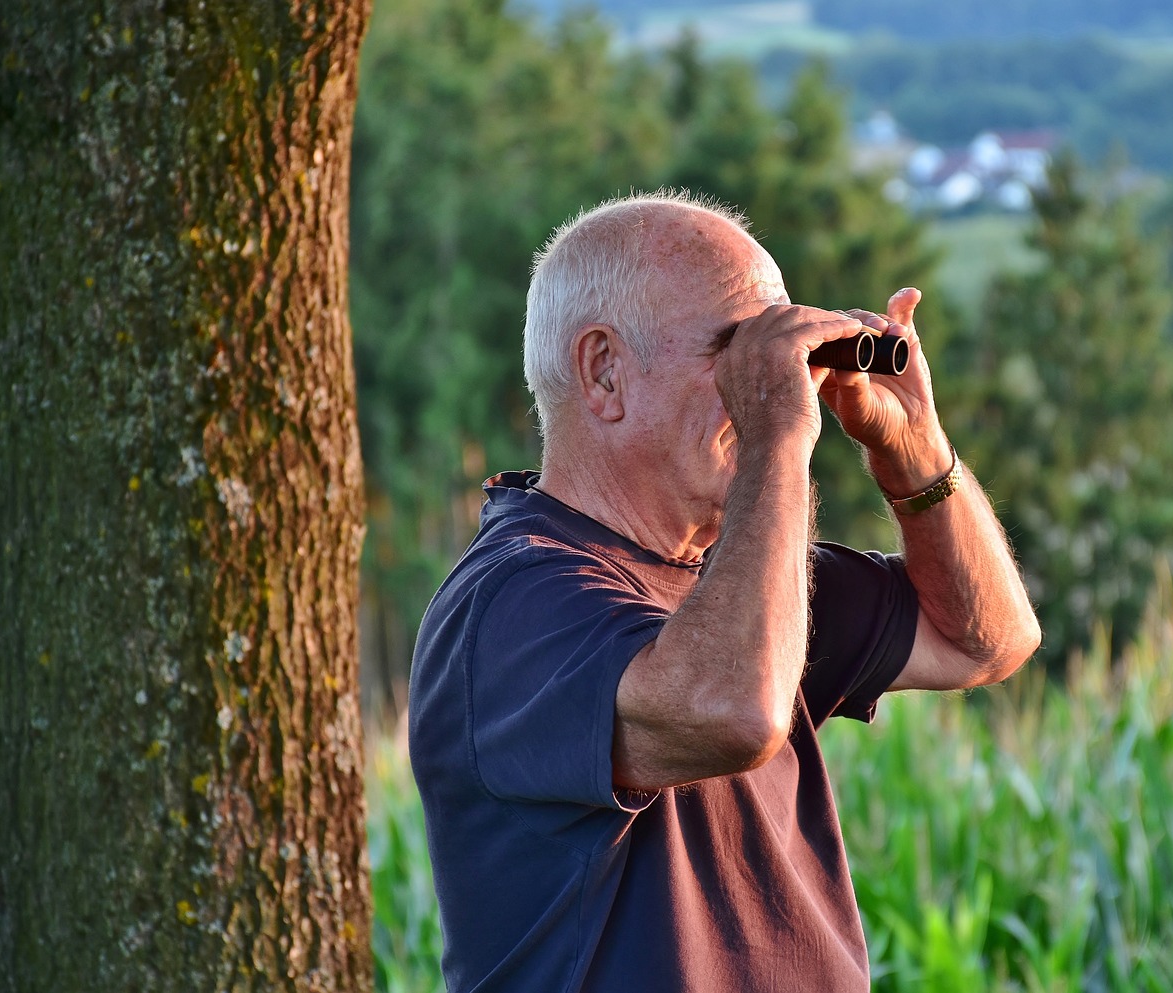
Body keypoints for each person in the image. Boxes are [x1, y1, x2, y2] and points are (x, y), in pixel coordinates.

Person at [408, 189, 1041, 992]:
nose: (777, 385)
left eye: (778, 355)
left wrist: (913, 451)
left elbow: (985, 639)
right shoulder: (510, 601)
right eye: (738, 352)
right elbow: (734, 712)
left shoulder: (737, 575)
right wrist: (779, 432)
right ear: (604, 372)